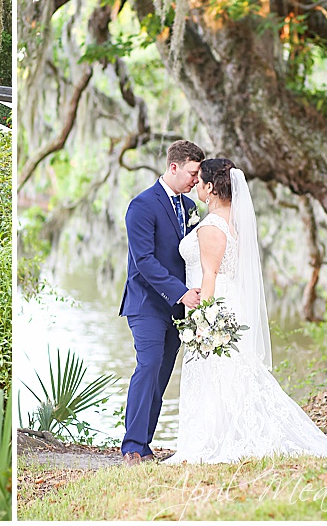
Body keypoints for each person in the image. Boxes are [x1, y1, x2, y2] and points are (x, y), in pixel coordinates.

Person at [164, 158, 327, 463]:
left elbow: (210, 274)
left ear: (211, 187)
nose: (196, 186)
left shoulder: (213, 226)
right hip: (227, 302)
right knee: (226, 373)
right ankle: (217, 432)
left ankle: (213, 439)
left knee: (217, 371)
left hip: (214, 304)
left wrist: (202, 319)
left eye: (200, 181)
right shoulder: (230, 221)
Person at [119, 139, 205, 466]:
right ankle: (131, 447)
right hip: (146, 304)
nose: (196, 180)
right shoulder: (142, 205)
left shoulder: (190, 209)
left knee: (162, 374)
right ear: (174, 166)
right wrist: (180, 291)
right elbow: (144, 260)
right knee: (149, 365)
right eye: (192, 173)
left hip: (179, 308)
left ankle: (145, 445)